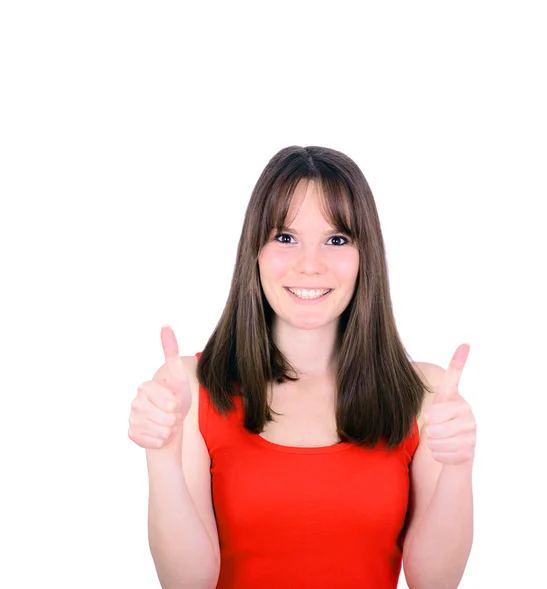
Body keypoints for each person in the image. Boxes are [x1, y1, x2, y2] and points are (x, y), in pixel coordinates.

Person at [128, 145, 477, 589]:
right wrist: (163, 454)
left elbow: (435, 582)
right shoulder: (188, 390)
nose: (310, 265)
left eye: (337, 239)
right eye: (285, 237)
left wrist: (458, 467)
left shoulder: (426, 394)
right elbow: (188, 583)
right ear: (254, 250)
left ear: (364, 256)